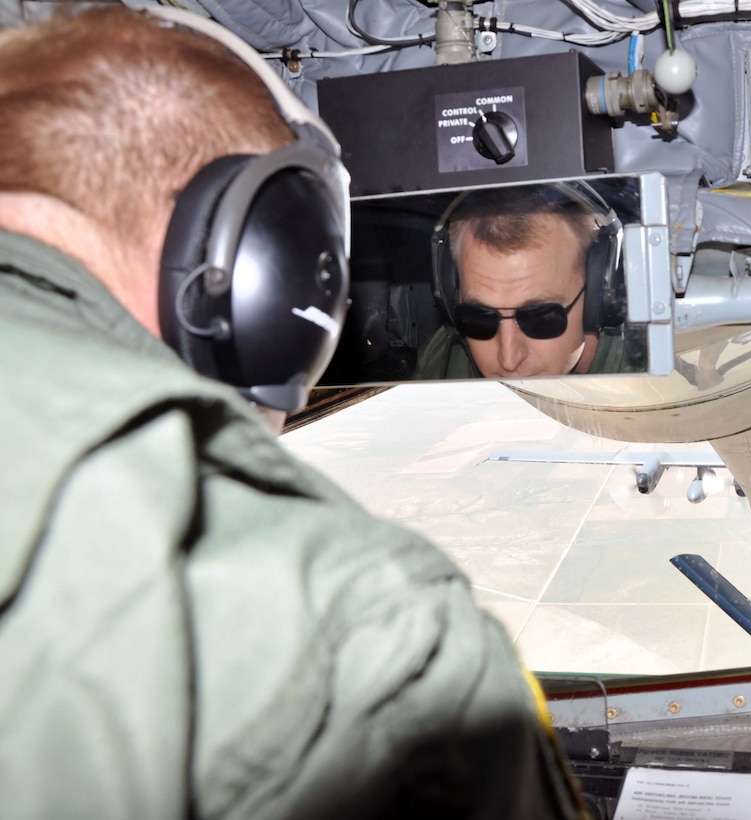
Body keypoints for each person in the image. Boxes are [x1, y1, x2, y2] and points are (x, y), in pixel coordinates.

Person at [0, 6, 585, 819]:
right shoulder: (367, 640)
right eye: (481, 320)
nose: (508, 350)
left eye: (545, 318)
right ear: (270, 271)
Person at [418, 183, 637, 379]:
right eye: (479, 318)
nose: (509, 360)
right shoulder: (443, 361)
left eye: (540, 318)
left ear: (597, 297)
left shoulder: (650, 376)